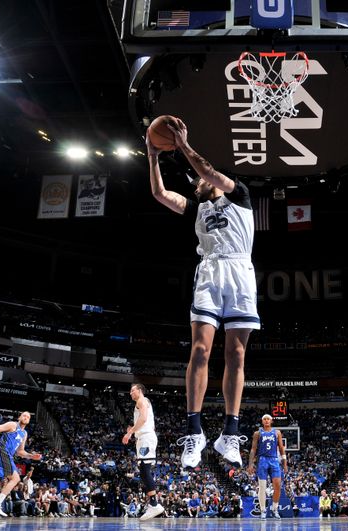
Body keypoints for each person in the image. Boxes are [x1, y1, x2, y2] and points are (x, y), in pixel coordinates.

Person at [147, 118, 259, 469]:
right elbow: (159, 195)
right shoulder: (197, 210)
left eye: (199, 179)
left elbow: (208, 171)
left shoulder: (239, 195)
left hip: (240, 271)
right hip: (210, 271)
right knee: (200, 349)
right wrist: (152, 157)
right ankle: (195, 431)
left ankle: (230, 434)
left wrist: (182, 146)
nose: (196, 182)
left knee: (236, 354)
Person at [121, 383, 165, 520]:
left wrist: (130, 433)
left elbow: (144, 418)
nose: (130, 393)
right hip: (143, 438)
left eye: (132, 390)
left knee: (145, 470)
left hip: (146, 438)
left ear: (140, 391)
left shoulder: (142, 400)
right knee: (143, 470)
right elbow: (142, 420)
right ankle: (153, 503)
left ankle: (154, 504)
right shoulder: (142, 402)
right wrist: (133, 430)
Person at [247, 414, 287, 519]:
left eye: (268, 419)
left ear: (271, 421)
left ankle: (274, 509)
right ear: (262, 421)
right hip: (262, 460)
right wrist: (250, 464)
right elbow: (253, 449)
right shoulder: (257, 433)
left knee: (277, 486)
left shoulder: (277, 432)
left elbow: (282, 448)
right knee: (262, 487)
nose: (266, 420)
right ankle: (263, 510)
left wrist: (285, 462)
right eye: (264, 419)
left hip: (274, 460)